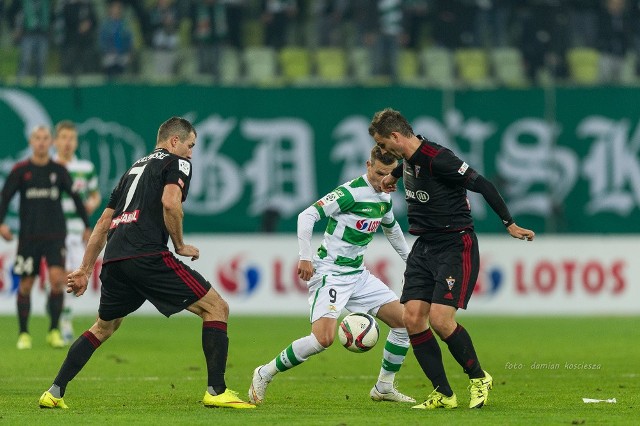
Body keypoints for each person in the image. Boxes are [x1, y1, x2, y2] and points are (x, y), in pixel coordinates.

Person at [38, 117, 254, 410]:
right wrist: (179, 245)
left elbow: (103, 222)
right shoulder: (177, 163)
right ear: (175, 141)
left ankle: (54, 391)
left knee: (104, 327)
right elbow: (170, 202)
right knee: (217, 308)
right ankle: (216, 391)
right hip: (146, 255)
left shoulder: (134, 168)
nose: (191, 153)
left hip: (115, 258)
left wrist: (85, 269)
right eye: (190, 145)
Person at [368, 108, 535, 410]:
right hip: (424, 245)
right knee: (411, 318)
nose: (382, 151)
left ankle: (478, 377)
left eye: (382, 144)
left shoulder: (438, 158)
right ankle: (443, 393)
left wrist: (509, 222)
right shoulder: (407, 157)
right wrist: (391, 178)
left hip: (455, 244)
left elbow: (483, 184)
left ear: (395, 136)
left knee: (440, 320)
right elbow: (405, 163)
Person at [249, 146, 415, 405]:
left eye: (388, 174)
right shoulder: (349, 193)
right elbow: (307, 215)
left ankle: (384, 387)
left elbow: (392, 229)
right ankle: (264, 372)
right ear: (367, 165)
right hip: (330, 273)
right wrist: (305, 256)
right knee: (323, 339)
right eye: (379, 172)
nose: (384, 180)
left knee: (404, 323)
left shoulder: (384, 198)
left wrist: (411, 262)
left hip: (358, 275)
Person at [0, 125, 90, 350]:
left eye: (44, 138)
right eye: (37, 138)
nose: (41, 142)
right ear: (31, 142)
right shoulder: (21, 170)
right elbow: (4, 197)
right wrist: (1, 224)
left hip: (55, 235)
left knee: (57, 281)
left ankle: (54, 330)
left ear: (50, 143)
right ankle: (23, 333)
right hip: (29, 237)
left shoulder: (58, 170)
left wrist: (87, 226)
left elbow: (76, 198)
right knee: (26, 285)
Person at [53, 120, 101, 343]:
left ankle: (64, 317)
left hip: (76, 230)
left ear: (76, 141)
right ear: (56, 141)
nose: (67, 143)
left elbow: (95, 194)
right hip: (53, 231)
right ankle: (60, 318)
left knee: (71, 274)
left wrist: (90, 204)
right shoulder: (49, 167)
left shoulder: (85, 168)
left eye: (71, 138)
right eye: (63, 138)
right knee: (58, 276)